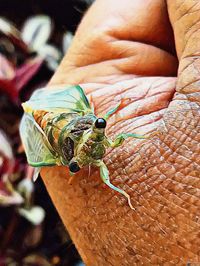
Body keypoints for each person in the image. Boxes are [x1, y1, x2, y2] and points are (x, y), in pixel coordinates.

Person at [41, 0, 200, 265]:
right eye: (76, 163)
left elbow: (118, 123)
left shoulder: (96, 132)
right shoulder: (82, 157)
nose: (95, 150)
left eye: (100, 127)